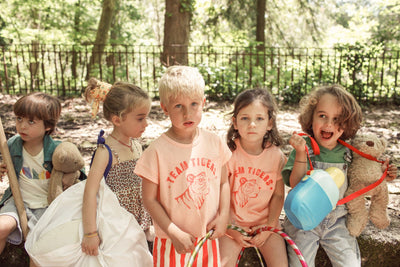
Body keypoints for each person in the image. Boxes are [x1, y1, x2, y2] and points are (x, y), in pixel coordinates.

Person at [282, 84, 398, 267]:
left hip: (337, 222)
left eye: (337, 119)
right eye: (322, 116)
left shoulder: (350, 152)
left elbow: (361, 181)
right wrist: (301, 154)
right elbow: (295, 185)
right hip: (302, 223)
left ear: (347, 123)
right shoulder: (303, 145)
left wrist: (382, 174)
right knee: (299, 264)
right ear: (310, 117)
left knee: (350, 263)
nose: (329, 124)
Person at [135, 66, 232, 266]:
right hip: (172, 242)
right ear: (165, 108)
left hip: (208, 239)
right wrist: (173, 231)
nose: (187, 113)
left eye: (194, 104)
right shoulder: (156, 151)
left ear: (203, 103)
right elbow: (149, 198)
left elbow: (224, 182)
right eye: (178, 106)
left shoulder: (215, 143)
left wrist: (223, 216)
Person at [0, 92, 85, 254]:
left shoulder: (56, 149)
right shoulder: (11, 146)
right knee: (1, 227)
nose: (22, 126)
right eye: (19, 119)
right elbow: (5, 166)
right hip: (19, 203)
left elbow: (78, 168)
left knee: (41, 248)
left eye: (31, 121)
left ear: (47, 126)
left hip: (47, 207)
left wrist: (72, 175)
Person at [81, 79, 153, 256]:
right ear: (117, 119)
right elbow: (90, 192)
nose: (146, 124)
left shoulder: (136, 144)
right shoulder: (106, 151)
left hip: (137, 223)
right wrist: (90, 233)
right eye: (140, 118)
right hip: (116, 225)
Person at [218, 88, 288, 267]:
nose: (252, 125)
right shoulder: (228, 154)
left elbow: (278, 195)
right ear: (235, 122)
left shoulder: (276, 156)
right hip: (232, 225)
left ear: (269, 123)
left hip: (266, 224)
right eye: (245, 118)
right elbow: (220, 194)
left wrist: (270, 227)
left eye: (259, 118)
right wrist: (230, 228)